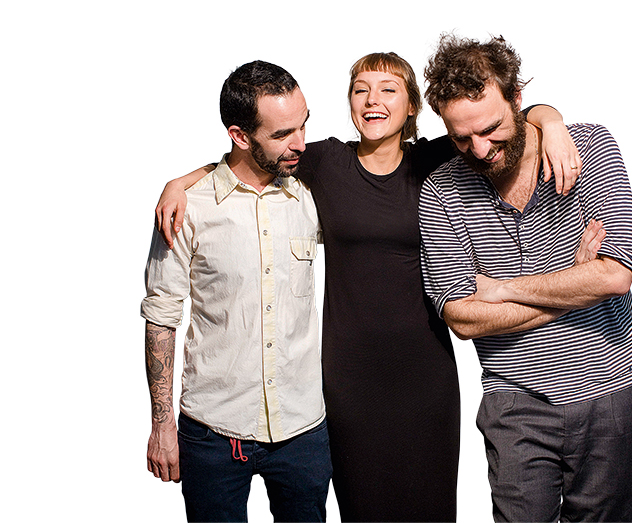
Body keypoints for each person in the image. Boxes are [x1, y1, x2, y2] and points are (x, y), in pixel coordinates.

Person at [156, 52, 582, 522]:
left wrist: (553, 122)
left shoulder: (435, 160)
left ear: (412, 105)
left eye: (388, 89)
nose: (372, 99)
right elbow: (252, 157)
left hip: (425, 376)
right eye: (361, 89)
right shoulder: (324, 161)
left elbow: (509, 118)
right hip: (348, 379)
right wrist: (179, 183)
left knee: (431, 509)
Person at [418, 34, 632, 523]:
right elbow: (462, 318)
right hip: (514, 402)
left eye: (491, 129)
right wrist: (577, 283)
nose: (480, 149)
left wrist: (502, 289)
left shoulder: (588, 148)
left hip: (611, 389)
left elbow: (615, 274)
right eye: (461, 138)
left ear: (517, 99)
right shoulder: (441, 190)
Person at [141, 61, 331, 523]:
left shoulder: (313, 192)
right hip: (213, 431)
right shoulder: (187, 208)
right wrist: (161, 425)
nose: (301, 143)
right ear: (240, 135)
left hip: (303, 430)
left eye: (304, 125)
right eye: (283, 133)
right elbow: (162, 316)